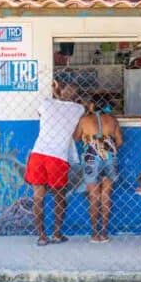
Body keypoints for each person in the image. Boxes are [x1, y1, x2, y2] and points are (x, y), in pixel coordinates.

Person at [25, 77, 85, 247]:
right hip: (57, 157)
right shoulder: (78, 109)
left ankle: (42, 236)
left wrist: (57, 93)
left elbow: (44, 112)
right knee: (59, 197)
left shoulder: (46, 103)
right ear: (77, 96)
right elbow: (73, 108)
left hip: (38, 154)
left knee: (38, 197)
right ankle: (57, 233)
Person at [74, 96, 124, 243]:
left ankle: (94, 233)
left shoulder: (85, 120)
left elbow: (76, 138)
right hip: (110, 157)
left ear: (91, 105)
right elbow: (120, 141)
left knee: (94, 196)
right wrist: (106, 146)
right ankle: (104, 232)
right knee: (106, 196)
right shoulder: (112, 120)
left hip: (91, 158)